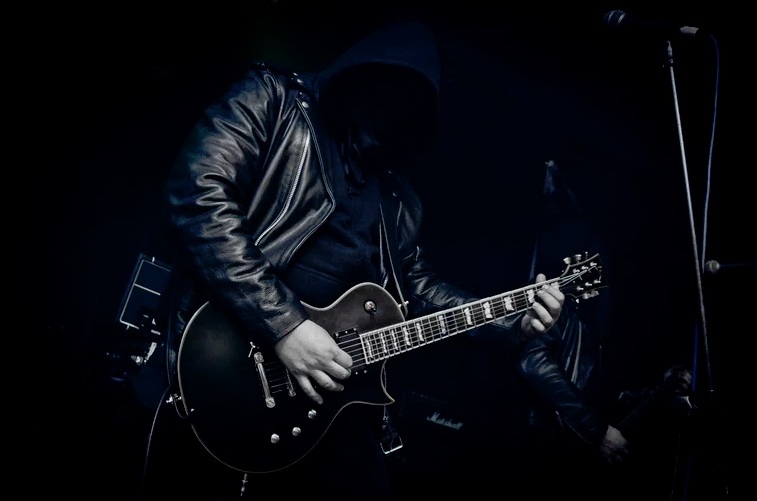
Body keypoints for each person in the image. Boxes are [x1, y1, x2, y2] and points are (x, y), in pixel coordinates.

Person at [133, 20, 565, 500]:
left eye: (411, 100)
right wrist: (285, 326)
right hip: (226, 365)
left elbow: (418, 290)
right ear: (361, 70)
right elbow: (198, 197)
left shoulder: (399, 200)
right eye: (388, 85)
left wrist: (513, 318)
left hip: (332, 403)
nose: (393, 106)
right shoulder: (272, 100)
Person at [510, 161, 694, 499]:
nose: (603, 262)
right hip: (549, 451)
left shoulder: (606, 311)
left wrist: (660, 389)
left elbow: (600, 382)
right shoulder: (564, 291)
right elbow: (533, 360)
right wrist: (596, 432)